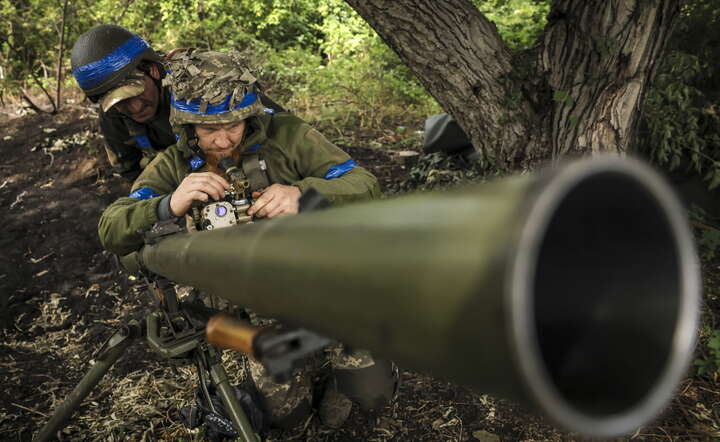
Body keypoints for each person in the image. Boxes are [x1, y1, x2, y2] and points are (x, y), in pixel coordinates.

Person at [98, 50, 397, 430]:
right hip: (263, 307)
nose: (222, 141)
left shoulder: (288, 135)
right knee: (284, 418)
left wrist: (303, 194)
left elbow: (365, 185)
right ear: (188, 126)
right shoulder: (175, 163)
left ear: (249, 117)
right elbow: (111, 227)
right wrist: (167, 204)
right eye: (208, 131)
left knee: (370, 395)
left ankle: (348, 363)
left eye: (233, 126)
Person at [70, 24, 176, 174]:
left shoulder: (189, 87)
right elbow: (129, 170)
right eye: (121, 102)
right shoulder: (112, 114)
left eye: (138, 92)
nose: (135, 108)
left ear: (153, 71)